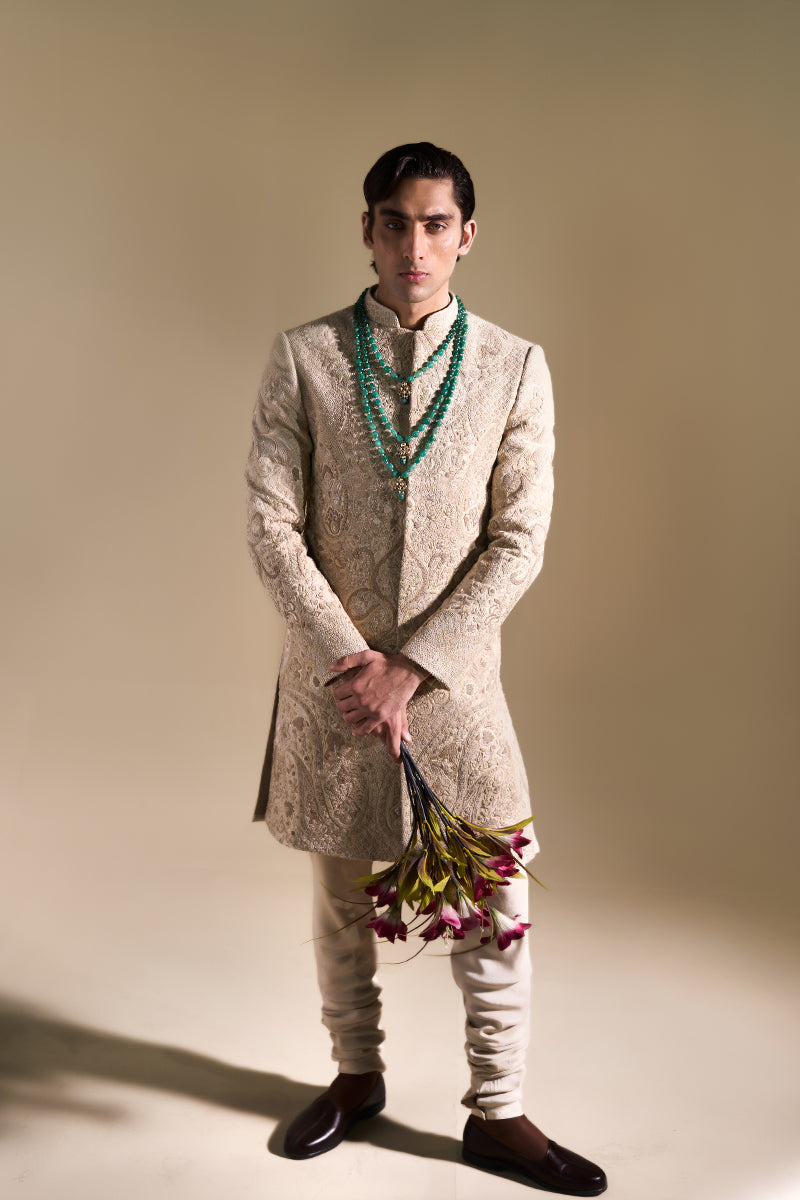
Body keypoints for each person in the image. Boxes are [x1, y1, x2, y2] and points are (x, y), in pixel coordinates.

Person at [245, 142, 607, 1196]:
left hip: (455, 690)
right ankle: (355, 1078)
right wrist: (352, 661)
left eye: (435, 224)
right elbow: (272, 528)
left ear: (466, 236)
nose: (415, 244)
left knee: (495, 896)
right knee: (339, 895)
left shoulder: (513, 366)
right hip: (334, 689)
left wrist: (413, 668)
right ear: (367, 229)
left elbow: (518, 541)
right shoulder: (305, 357)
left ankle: (498, 1110)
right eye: (395, 222)